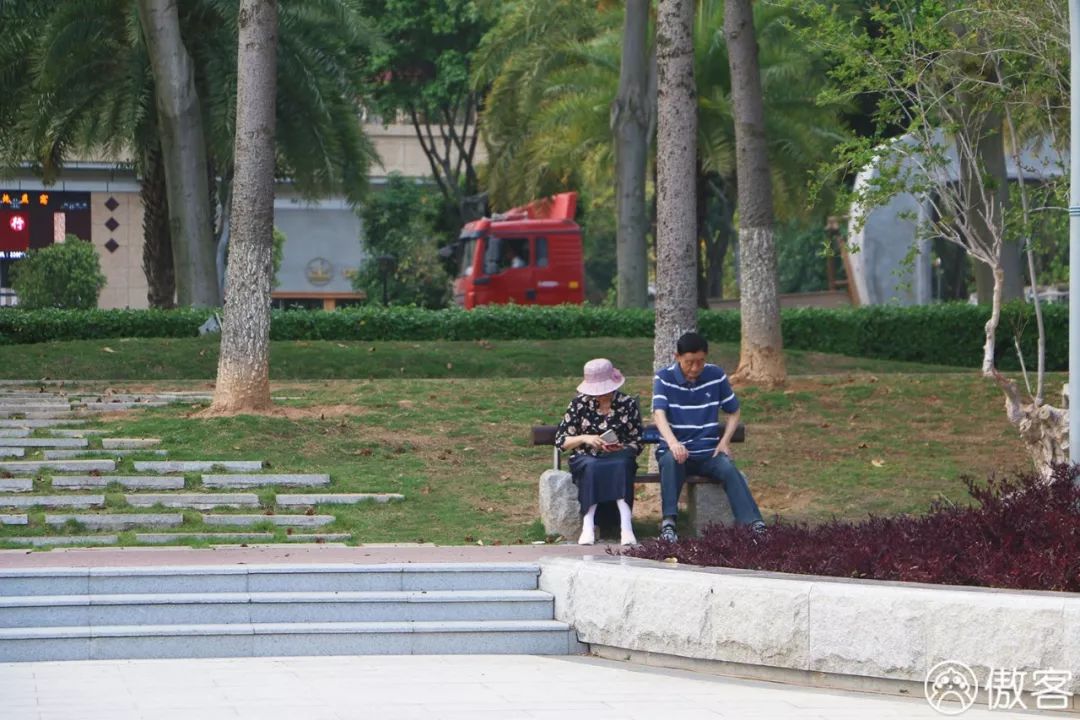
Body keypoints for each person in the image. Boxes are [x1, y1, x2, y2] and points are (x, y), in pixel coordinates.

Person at [652, 331, 766, 542]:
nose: (695, 368)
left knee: (728, 468)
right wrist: (673, 443)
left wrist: (724, 441)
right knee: (670, 459)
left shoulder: (716, 375)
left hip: (708, 452)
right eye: (689, 362)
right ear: (677, 356)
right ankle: (669, 523)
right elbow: (659, 414)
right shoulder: (664, 377)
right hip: (678, 452)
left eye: (700, 362)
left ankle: (754, 525)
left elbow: (734, 411)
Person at [555, 358, 643, 546]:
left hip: (617, 457)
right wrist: (586, 438)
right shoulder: (578, 404)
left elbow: (637, 441)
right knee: (592, 466)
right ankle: (588, 526)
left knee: (622, 464)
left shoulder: (627, 403)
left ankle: (626, 526)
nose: (601, 395)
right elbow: (561, 441)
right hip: (585, 457)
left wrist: (621, 447)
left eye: (605, 391)